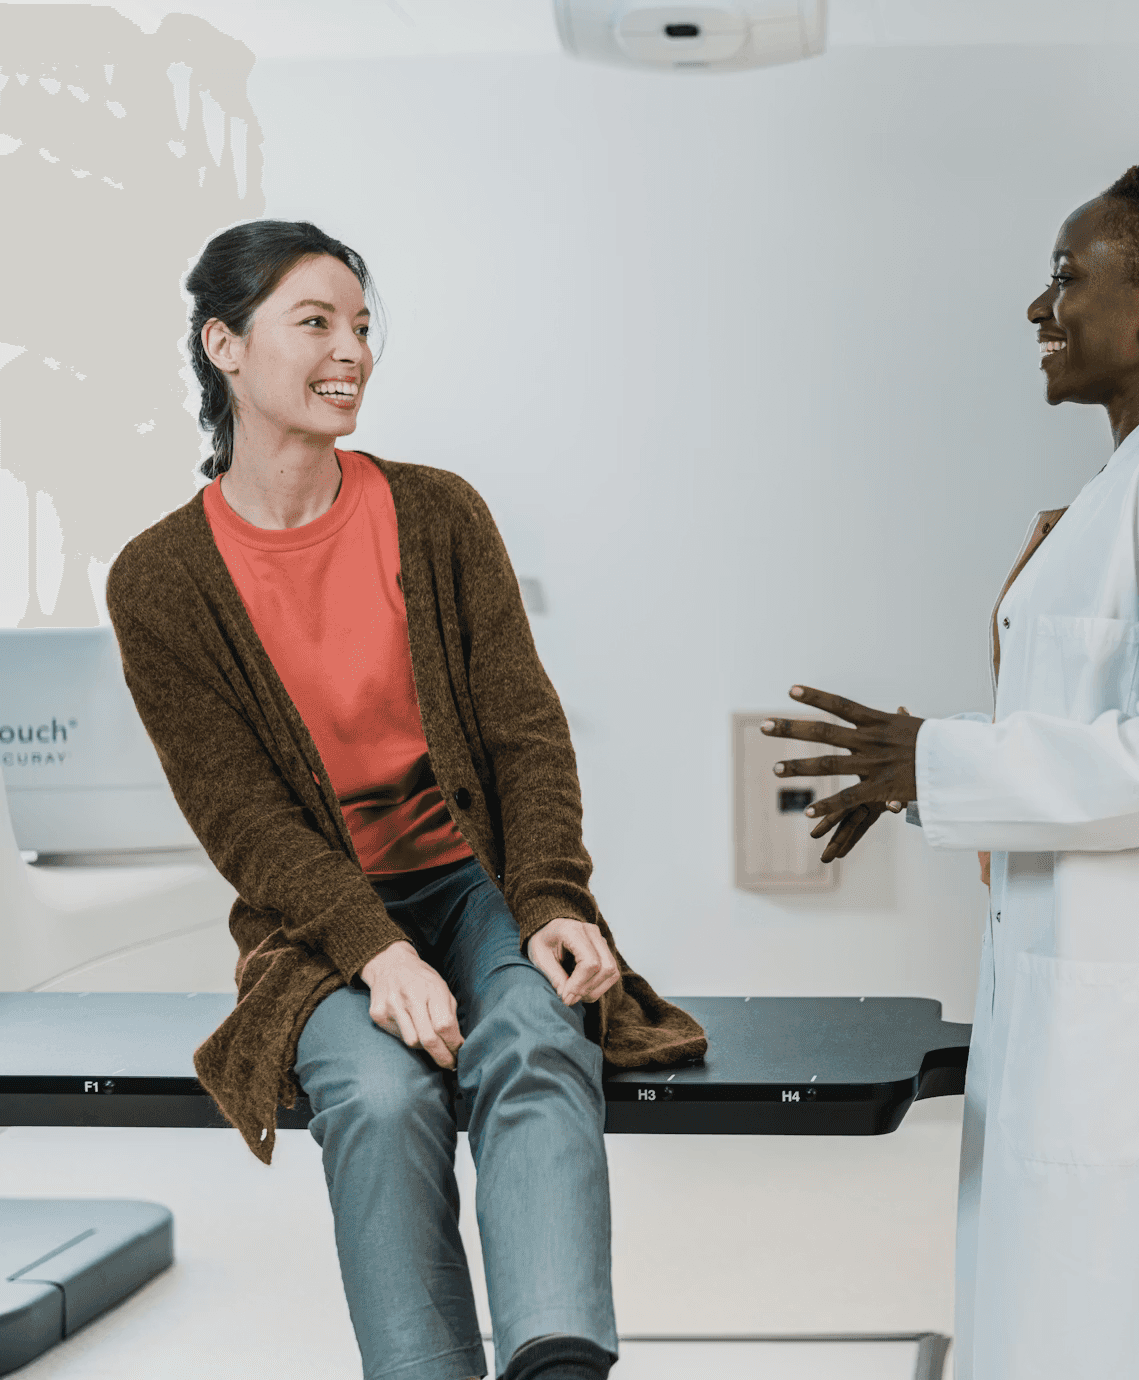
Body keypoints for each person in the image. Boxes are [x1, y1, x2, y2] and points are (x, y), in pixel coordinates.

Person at [106, 220, 706, 1380]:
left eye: (362, 326)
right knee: (380, 1100)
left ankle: (559, 1367)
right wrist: (378, 952)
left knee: (535, 1033)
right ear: (224, 345)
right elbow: (244, 820)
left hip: (473, 883)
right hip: (319, 924)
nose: (353, 353)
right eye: (316, 323)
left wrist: (551, 900)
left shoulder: (438, 515)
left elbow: (524, 731)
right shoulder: (159, 580)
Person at [762, 161, 1139, 1379]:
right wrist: (919, 778)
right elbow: (1082, 737)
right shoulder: (1123, 493)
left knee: (1122, 1317)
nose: (1037, 308)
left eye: (1066, 277)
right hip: (1082, 978)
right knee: (1049, 1302)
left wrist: (936, 761)